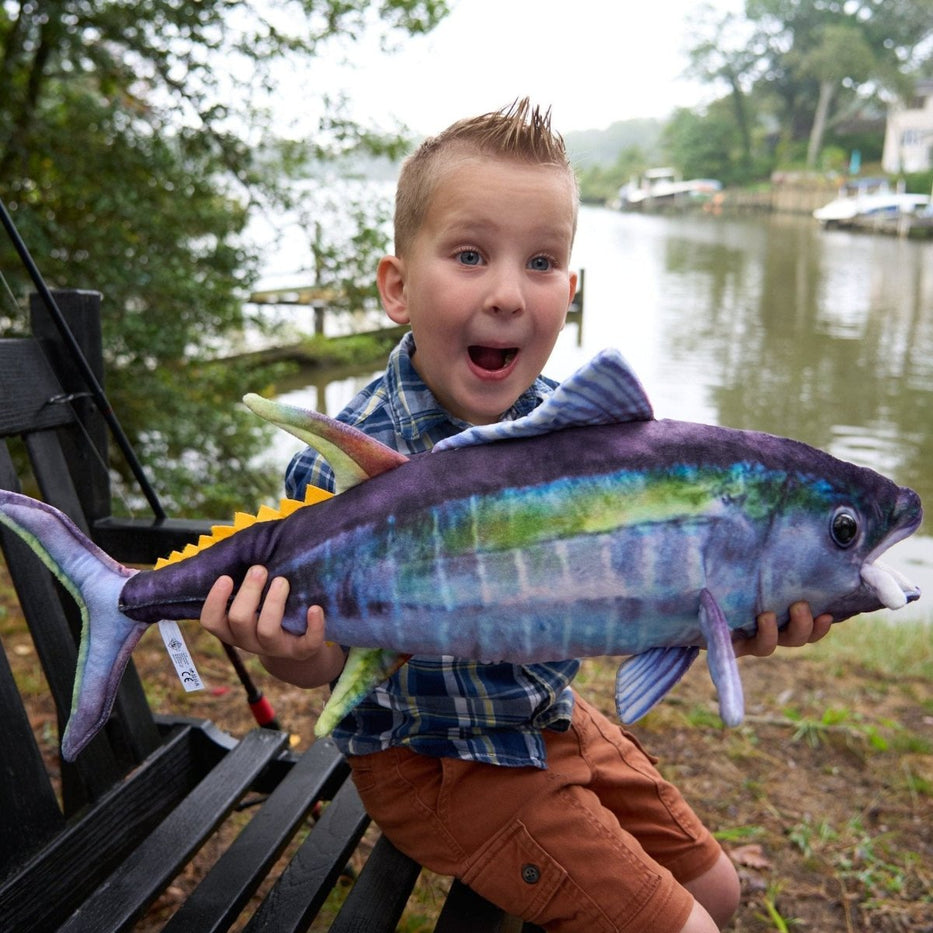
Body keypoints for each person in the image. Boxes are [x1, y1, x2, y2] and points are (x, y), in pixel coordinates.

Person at [201, 99, 833, 933]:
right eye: (470, 255)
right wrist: (292, 651)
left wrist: (728, 607)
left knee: (719, 890)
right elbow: (318, 664)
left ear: (568, 292)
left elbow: (652, 576)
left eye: (541, 262)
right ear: (396, 285)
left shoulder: (579, 432)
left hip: (546, 716)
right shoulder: (345, 462)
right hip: (436, 763)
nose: (507, 293)